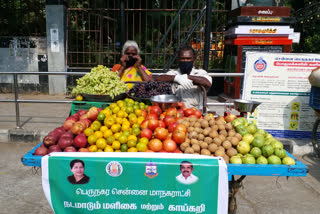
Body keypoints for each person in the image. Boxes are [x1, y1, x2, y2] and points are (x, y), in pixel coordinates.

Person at [156, 46, 212, 111]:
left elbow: (207, 83)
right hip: (177, 114)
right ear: (178, 60)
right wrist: (176, 78)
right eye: (182, 58)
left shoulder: (200, 73)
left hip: (197, 113)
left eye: (188, 58)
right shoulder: (172, 73)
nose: (185, 61)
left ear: (194, 61)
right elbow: (158, 79)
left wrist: (187, 77)